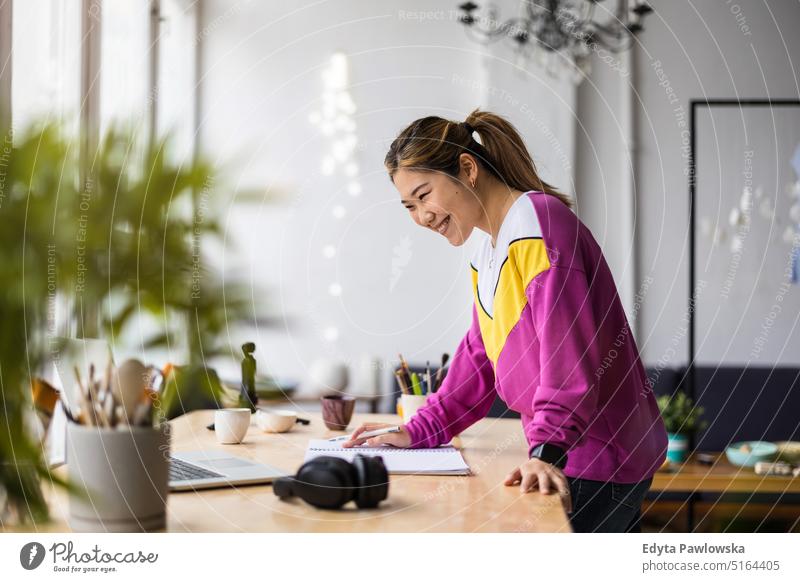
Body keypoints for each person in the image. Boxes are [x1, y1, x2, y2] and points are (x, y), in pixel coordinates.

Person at [344, 109, 668, 532]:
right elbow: (480, 357)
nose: (420, 217)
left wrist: (548, 451)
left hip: (596, 456)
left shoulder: (540, 226)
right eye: (409, 206)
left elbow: (568, 355)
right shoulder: (488, 251)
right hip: (563, 452)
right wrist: (417, 430)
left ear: (467, 168)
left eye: (424, 195)